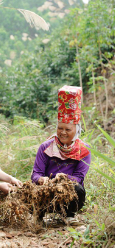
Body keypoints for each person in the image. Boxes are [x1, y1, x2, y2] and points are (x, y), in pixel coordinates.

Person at [31, 86, 90, 224]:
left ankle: (69, 215)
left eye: (68, 129)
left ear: (76, 131)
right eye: (60, 128)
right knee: (32, 190)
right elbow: (36, 174)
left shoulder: (84, 150)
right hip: (47, 191)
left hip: (68, 194)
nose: (63, 132)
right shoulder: (45, 147)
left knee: (78, 189)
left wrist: (63, 178)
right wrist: (41, 180)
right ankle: (39, 215)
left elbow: (79, 178)